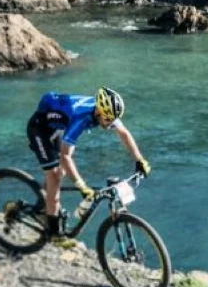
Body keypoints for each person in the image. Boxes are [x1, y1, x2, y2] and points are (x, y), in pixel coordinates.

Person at [27, 87, 150, 233]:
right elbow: (66, 156)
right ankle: (54, 233)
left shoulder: (105, 112)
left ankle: (43, 204)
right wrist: (81, 186)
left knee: (61, 173)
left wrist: (140, 160)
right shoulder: (81, 118)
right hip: (39, 129)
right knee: (54, 176)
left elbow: (123, 133)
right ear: (98, 112)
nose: (111, 124)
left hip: (58, 127)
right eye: (108, 120)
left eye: (113, 120)